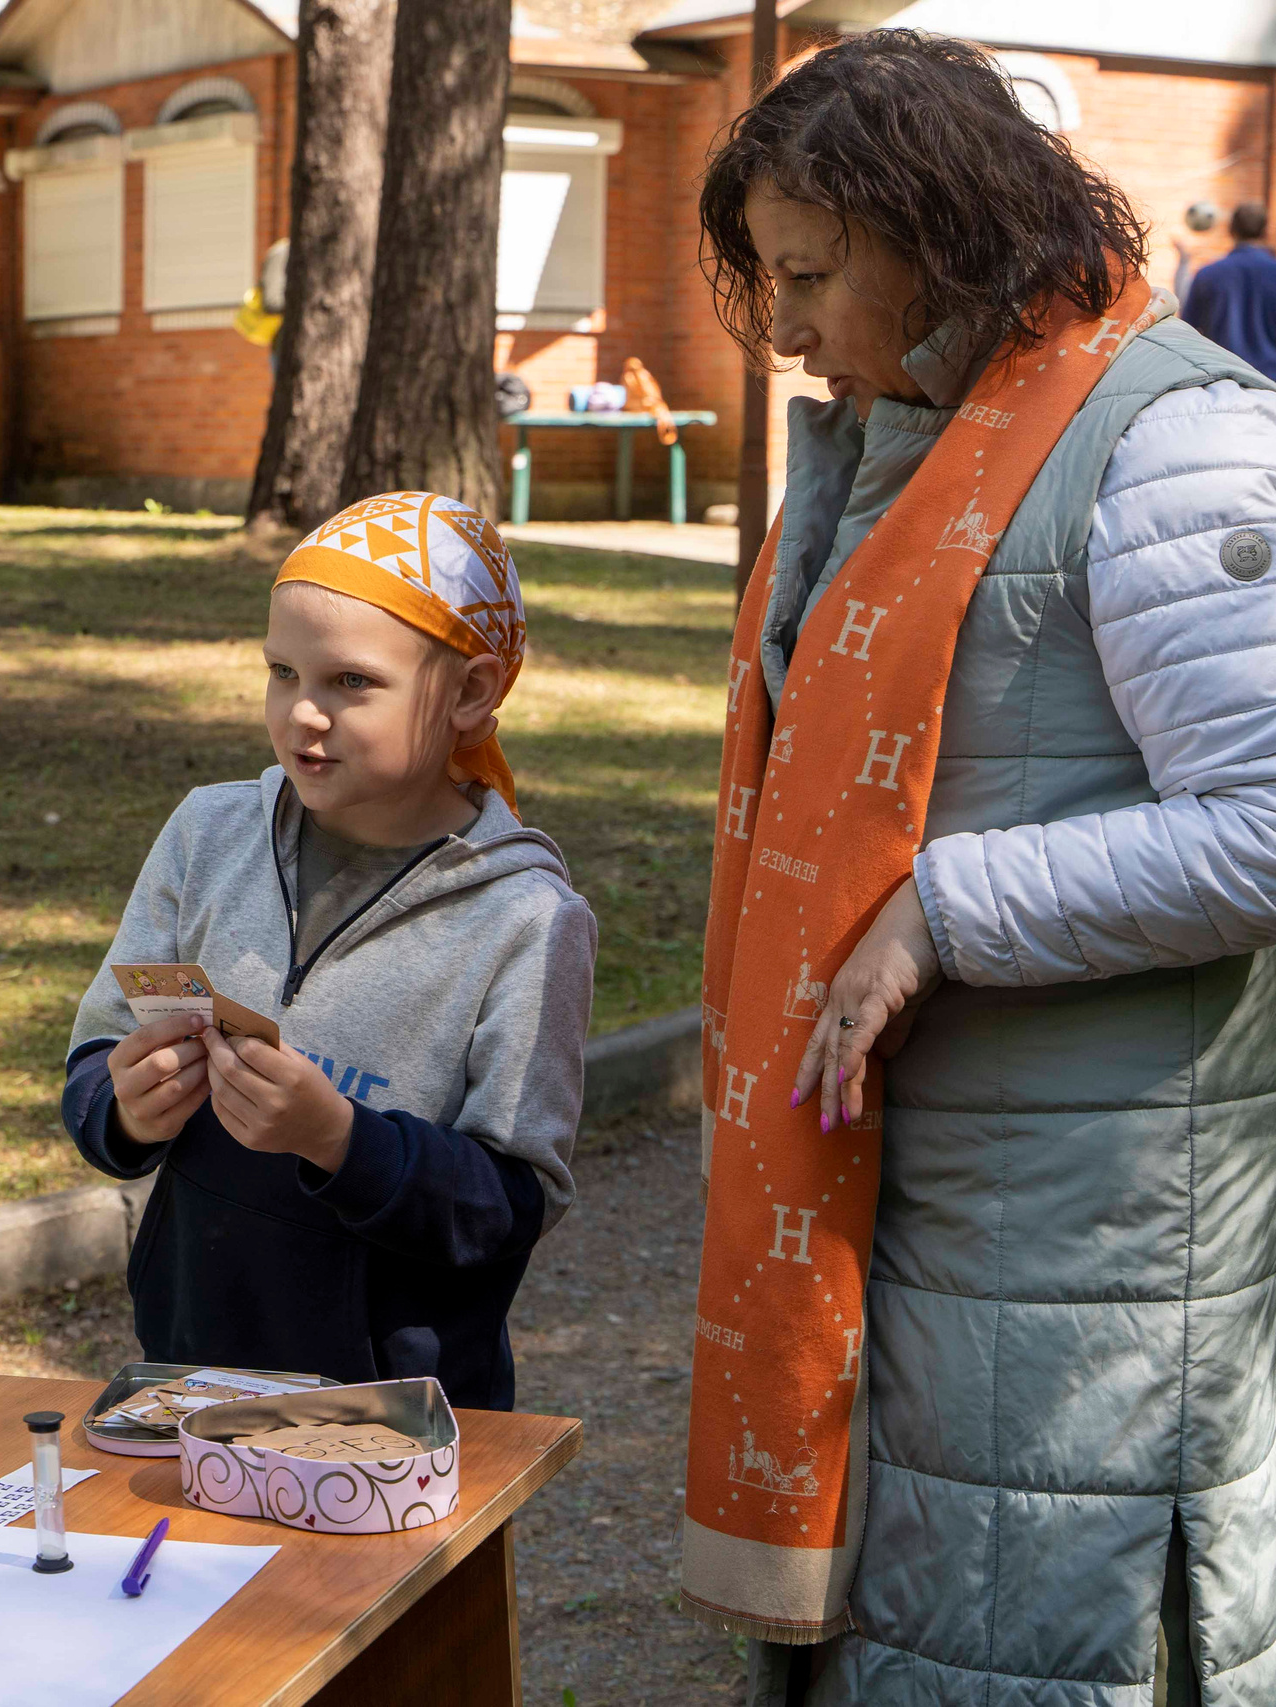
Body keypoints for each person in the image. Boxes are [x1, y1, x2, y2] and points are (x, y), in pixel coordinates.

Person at [688, 32, 1276, 1704]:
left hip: (1086, 1225)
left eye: (811, 272)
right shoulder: (914, 438)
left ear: (933, 228)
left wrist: (942, 913)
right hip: (941, 1186)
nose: (787, 328)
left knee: (1043, 1636)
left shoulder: (1170, 442)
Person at [59, 491, 595, 1407]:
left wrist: (340, 1141)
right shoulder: (208, 832)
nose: (303, 714)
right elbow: (95, 1062)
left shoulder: (526, 919)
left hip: (398, 1418)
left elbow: (513, 1203)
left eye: (351, 682)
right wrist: (127, 1108)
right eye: (281, 672)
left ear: (471, 691)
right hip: (193, 1378)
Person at [1180, 199, 1276, 377]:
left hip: (1225, 382)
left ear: (1231, 230)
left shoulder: (1207, 275)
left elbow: (1188, 329)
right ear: (1265, 231)